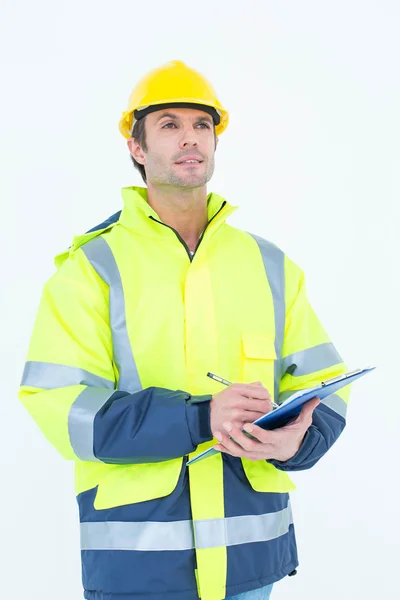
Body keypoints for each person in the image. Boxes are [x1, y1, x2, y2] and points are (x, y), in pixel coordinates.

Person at [19, 60, 350, 600]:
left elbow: (329, 381)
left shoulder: (268, 263)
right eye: (169, 125)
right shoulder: (93, 267)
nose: (190, 138)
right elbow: (61, 407)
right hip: (141, 566)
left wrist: (298, 441)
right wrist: (200, 417)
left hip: (251, 563)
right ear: (138, 148)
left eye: (201, 125)